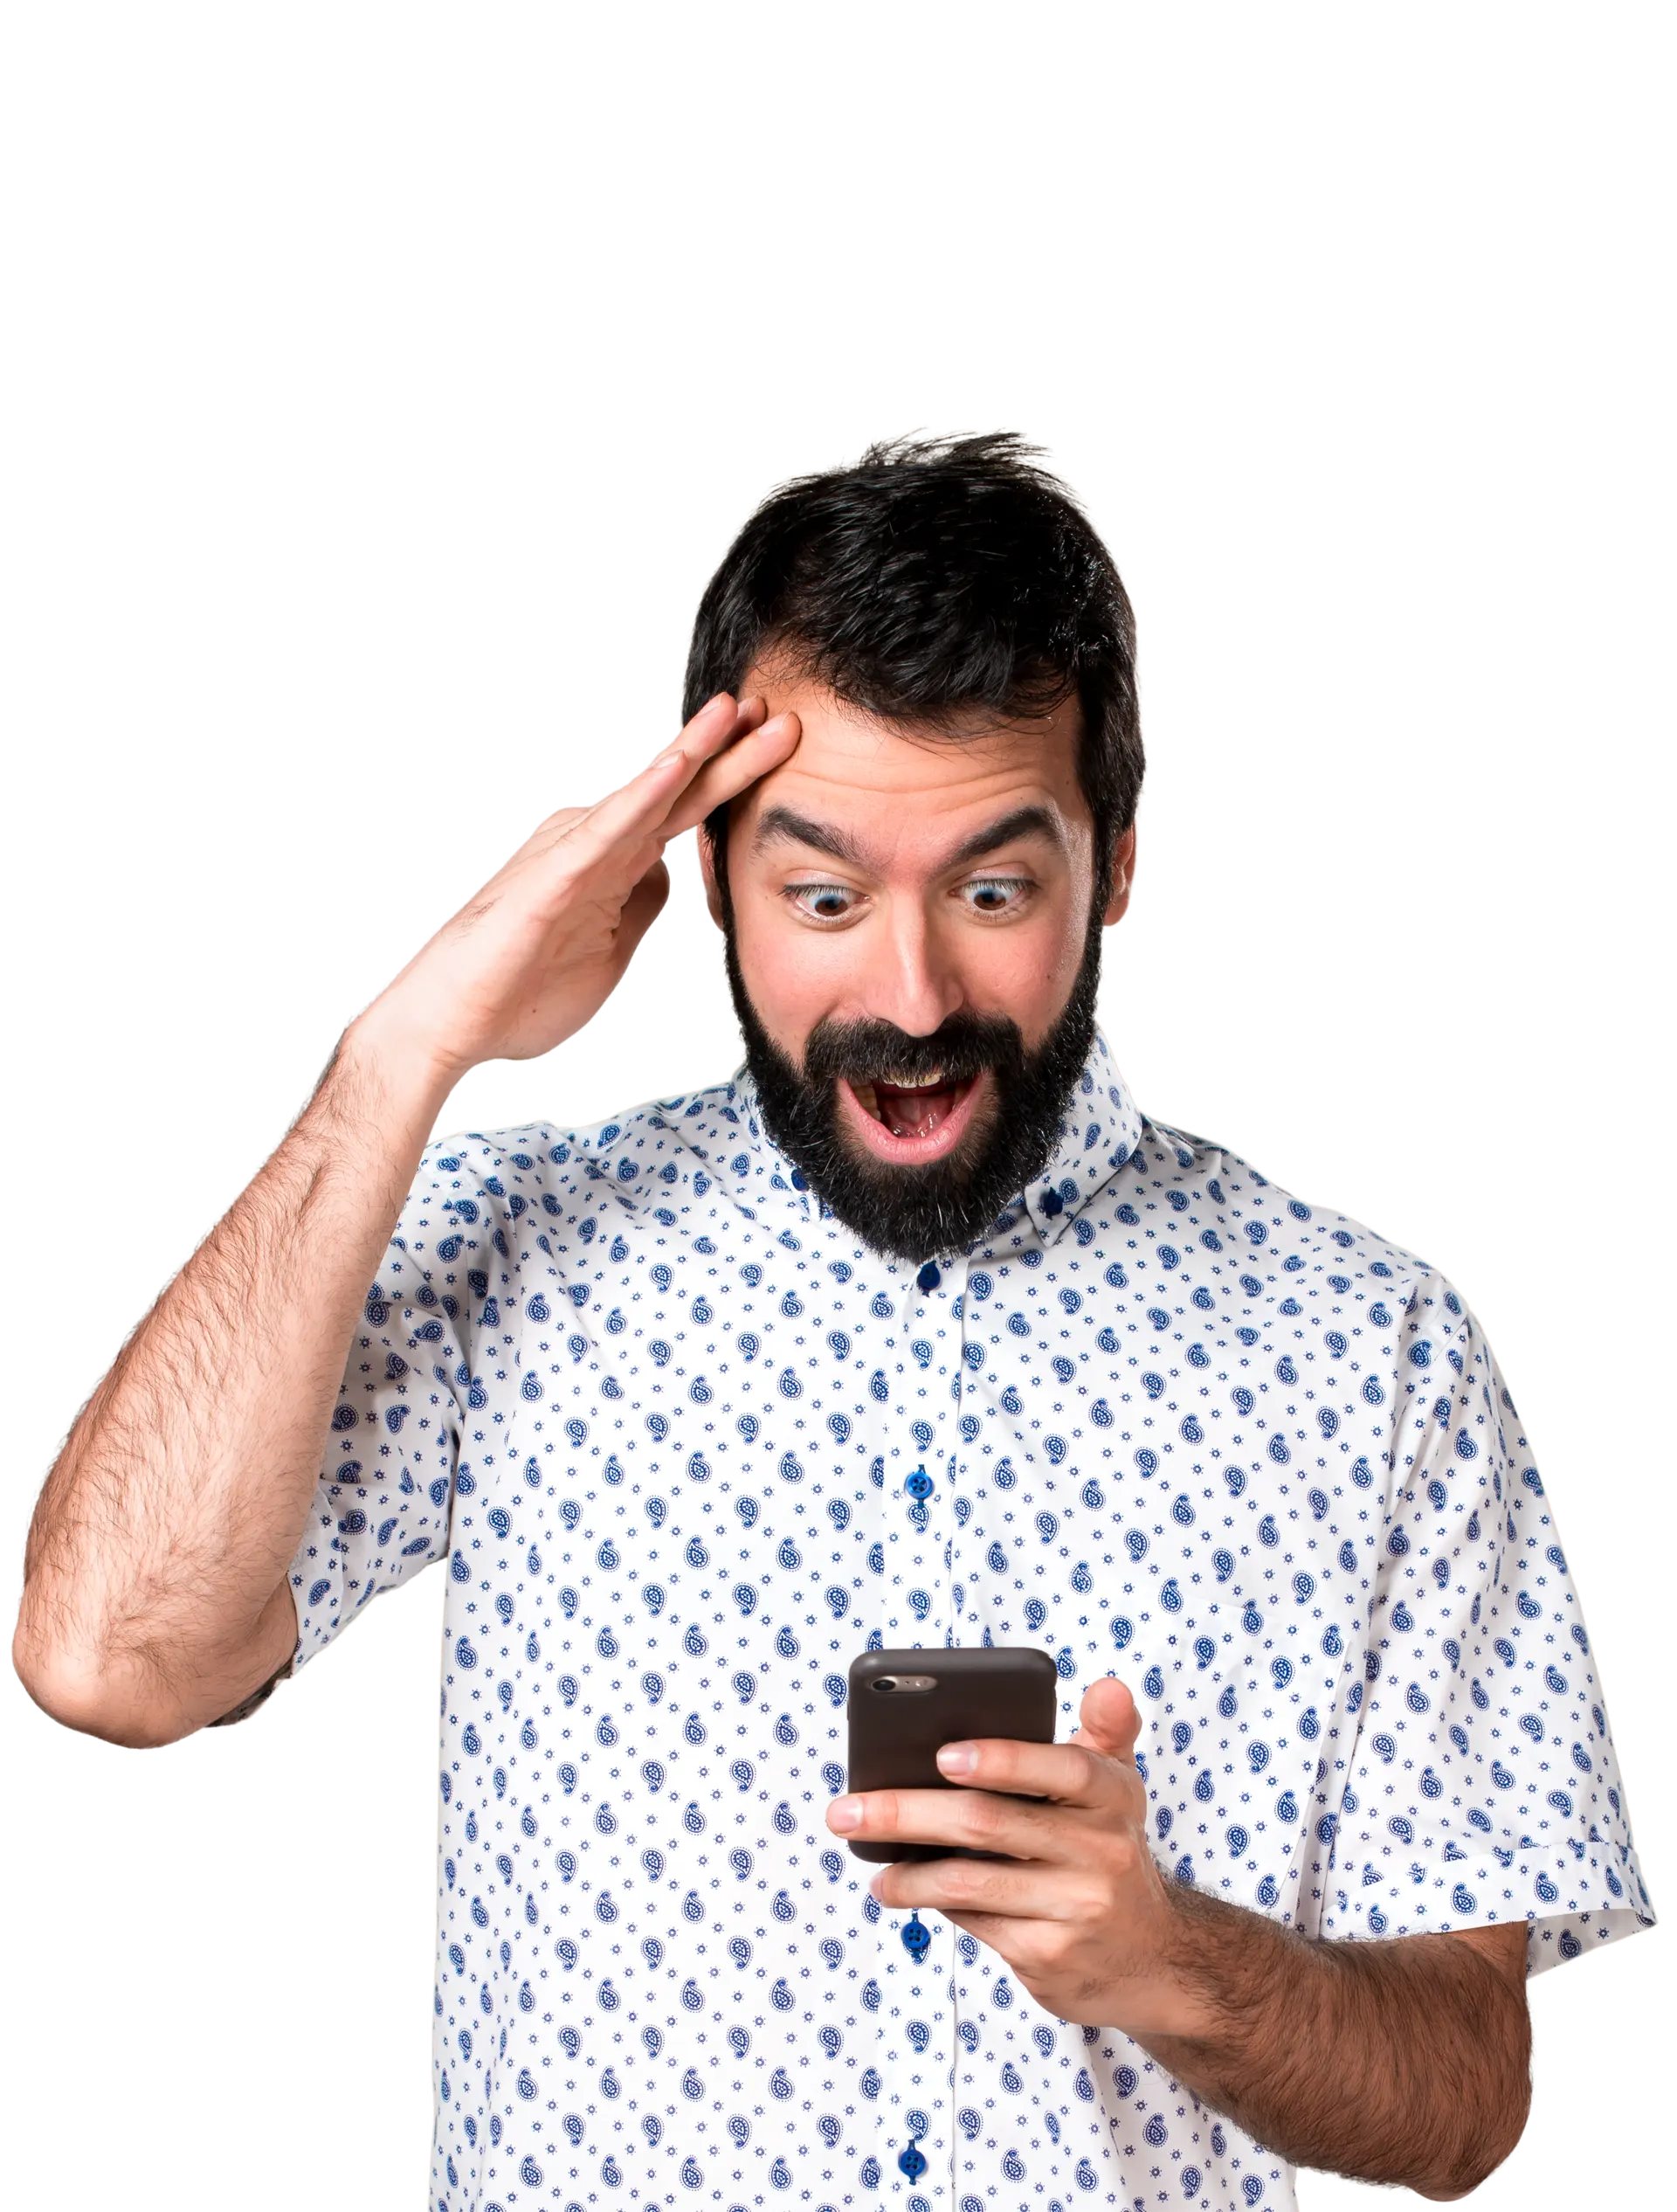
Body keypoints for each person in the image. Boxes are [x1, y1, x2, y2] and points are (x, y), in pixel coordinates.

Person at [12, 426, 1653, 2212]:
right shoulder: (507, 1252)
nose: (912, 990)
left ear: (1116, 858)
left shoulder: (1373, 1356)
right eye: (821, 892)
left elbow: (1467, 2092)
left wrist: (1166, 1960)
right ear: (700, 868)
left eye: (994, 887)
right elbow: (109, 1658)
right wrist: (409, 1052)